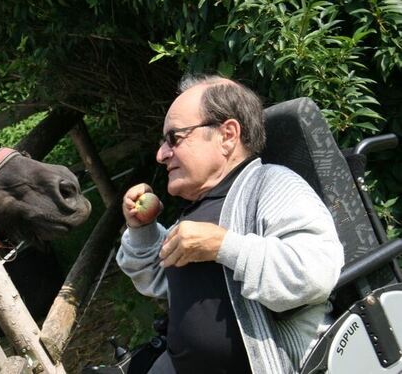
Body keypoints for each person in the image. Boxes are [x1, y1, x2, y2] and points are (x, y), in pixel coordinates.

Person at [116, 74, 344, 374]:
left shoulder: (272, 185)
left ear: (227, 135)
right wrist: (143, 229)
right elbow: (158, 280)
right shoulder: (197, 209)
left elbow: (315, 274)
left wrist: (224, 245)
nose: (161, 154)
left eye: (174, 138)